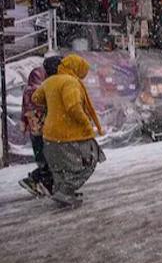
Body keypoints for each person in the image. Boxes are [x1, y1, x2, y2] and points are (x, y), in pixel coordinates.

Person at [32, 54, 105, 209]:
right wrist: (86, 124)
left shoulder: (50, 81)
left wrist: (53, 103)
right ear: (76, 68)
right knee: (90, 160)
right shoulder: (70, 82)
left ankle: (61, 191)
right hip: (69, 133)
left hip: (50, 134)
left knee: (58, 167)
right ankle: (65, 191)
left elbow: (36, 98)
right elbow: (73, 107)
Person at [18, 55, 63, 197]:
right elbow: (40, 106)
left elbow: (25, 110)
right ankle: (40, 182)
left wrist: (24, 122)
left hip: (38, 130)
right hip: (41, 130)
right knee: (47, 159)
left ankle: (39, 181)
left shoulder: (31, 88)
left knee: (46, 159)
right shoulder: (39, 87)